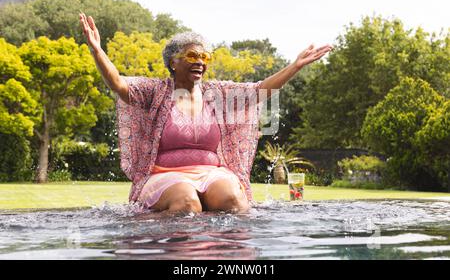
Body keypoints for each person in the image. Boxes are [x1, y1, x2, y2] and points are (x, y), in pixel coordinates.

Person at [79, 12, 332, 213]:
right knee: (187, 202)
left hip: (211, 173)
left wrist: (295, 66)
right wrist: (97, 51)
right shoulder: (154, 91)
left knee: (233, 199)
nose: (200, 61)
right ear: (173, 62)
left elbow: (260, 90)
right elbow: (119, 85)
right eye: (192, 55)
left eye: (204, 56)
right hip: (164, 176)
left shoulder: (218, 93)